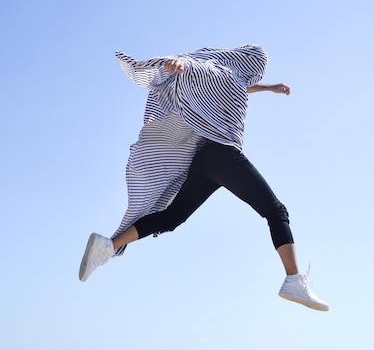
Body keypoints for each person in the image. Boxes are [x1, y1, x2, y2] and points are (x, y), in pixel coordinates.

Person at [79, 45, 329, 311]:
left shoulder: (233, 78)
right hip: (224, 156)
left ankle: (108, 245)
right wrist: (170, 65)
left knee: (172, 218)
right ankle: (293, 279)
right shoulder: (215, 72)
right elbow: (193, 67)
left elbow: (241, 86)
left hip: (204, 160)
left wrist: (269, 88)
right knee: (275, 210)